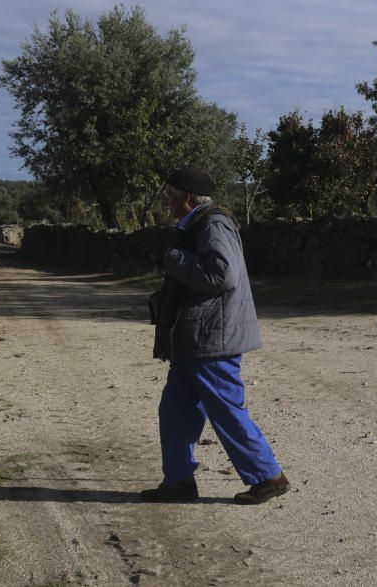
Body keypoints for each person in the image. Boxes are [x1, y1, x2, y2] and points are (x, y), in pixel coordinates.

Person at [141, 166, 289, 505]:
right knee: (175, 411)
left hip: (211, 338)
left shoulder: (213, 224)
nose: (167, 202)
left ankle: (269, 477)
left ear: (187, 199)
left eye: (170, 197)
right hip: (194, 339)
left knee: (225, 408)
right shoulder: (199, 223)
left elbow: (222, 275)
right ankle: (178, 482)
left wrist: (175, 259)